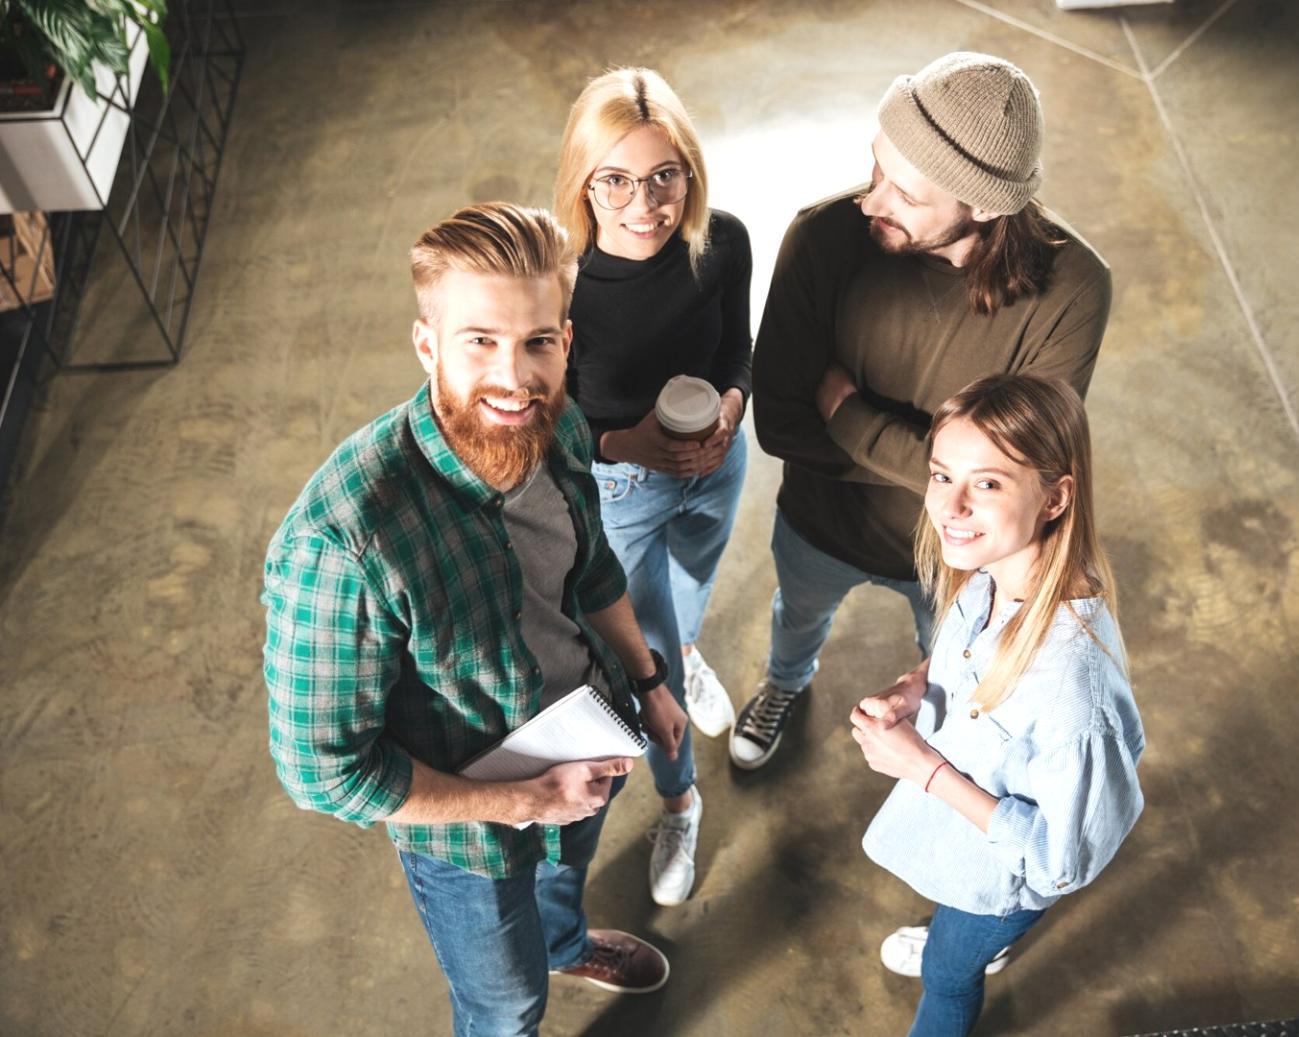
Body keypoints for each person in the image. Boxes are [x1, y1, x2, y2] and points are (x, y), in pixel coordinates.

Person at [262, 203, 689, 1036]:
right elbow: (324, 774)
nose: (513, 377)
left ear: (564, 340)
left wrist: (647, 679)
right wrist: (524, 795)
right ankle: (532, 974)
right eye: (480, 340)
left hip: (585, 732)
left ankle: (563, 940)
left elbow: (590, 565)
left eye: (536, 342)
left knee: (566, 866)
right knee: (505, 1003)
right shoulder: (344, 540)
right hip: (467, 833)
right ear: (428, 343)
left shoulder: (554, 419)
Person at [735, 51, 1113, 769]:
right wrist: (952, 468)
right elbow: (781, 422)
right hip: (820, 525)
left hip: (963, 558)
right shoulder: (822, 238)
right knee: (796, 621)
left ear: (986, 207)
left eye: (905, 195)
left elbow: (1020, 472)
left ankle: (941, 735)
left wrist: (848, 419)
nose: (870, 202)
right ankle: (785, 683)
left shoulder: (1075, 289)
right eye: (876, 169)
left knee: (949, 662)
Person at [849, 374, 1145, 1036]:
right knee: (955, 937)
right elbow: (962, 653)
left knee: (948, 974)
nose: (950, 506)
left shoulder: (1071, 681)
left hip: (1005, 871)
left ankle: (970, 944)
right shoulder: (991, 570)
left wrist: (922, 769)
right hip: (968, 828)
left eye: (986, 483)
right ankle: (964, 934)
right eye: (940, 475)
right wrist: (915, 684)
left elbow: (1059, 862)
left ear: (1053, 497)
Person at [553, 67, 752, 905]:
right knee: (650, 661)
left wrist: (733, 409)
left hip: (714, 463)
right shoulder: (561, 284)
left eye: (665, 175)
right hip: (619, 489)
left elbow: (735, 347)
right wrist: (621, 441)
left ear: (690, 173)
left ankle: (693, 642)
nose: (645, 203)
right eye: (617, 180)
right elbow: (545, 416)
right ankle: (680, 796)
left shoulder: (722, 241)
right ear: (583, 183)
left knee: (695, 583)